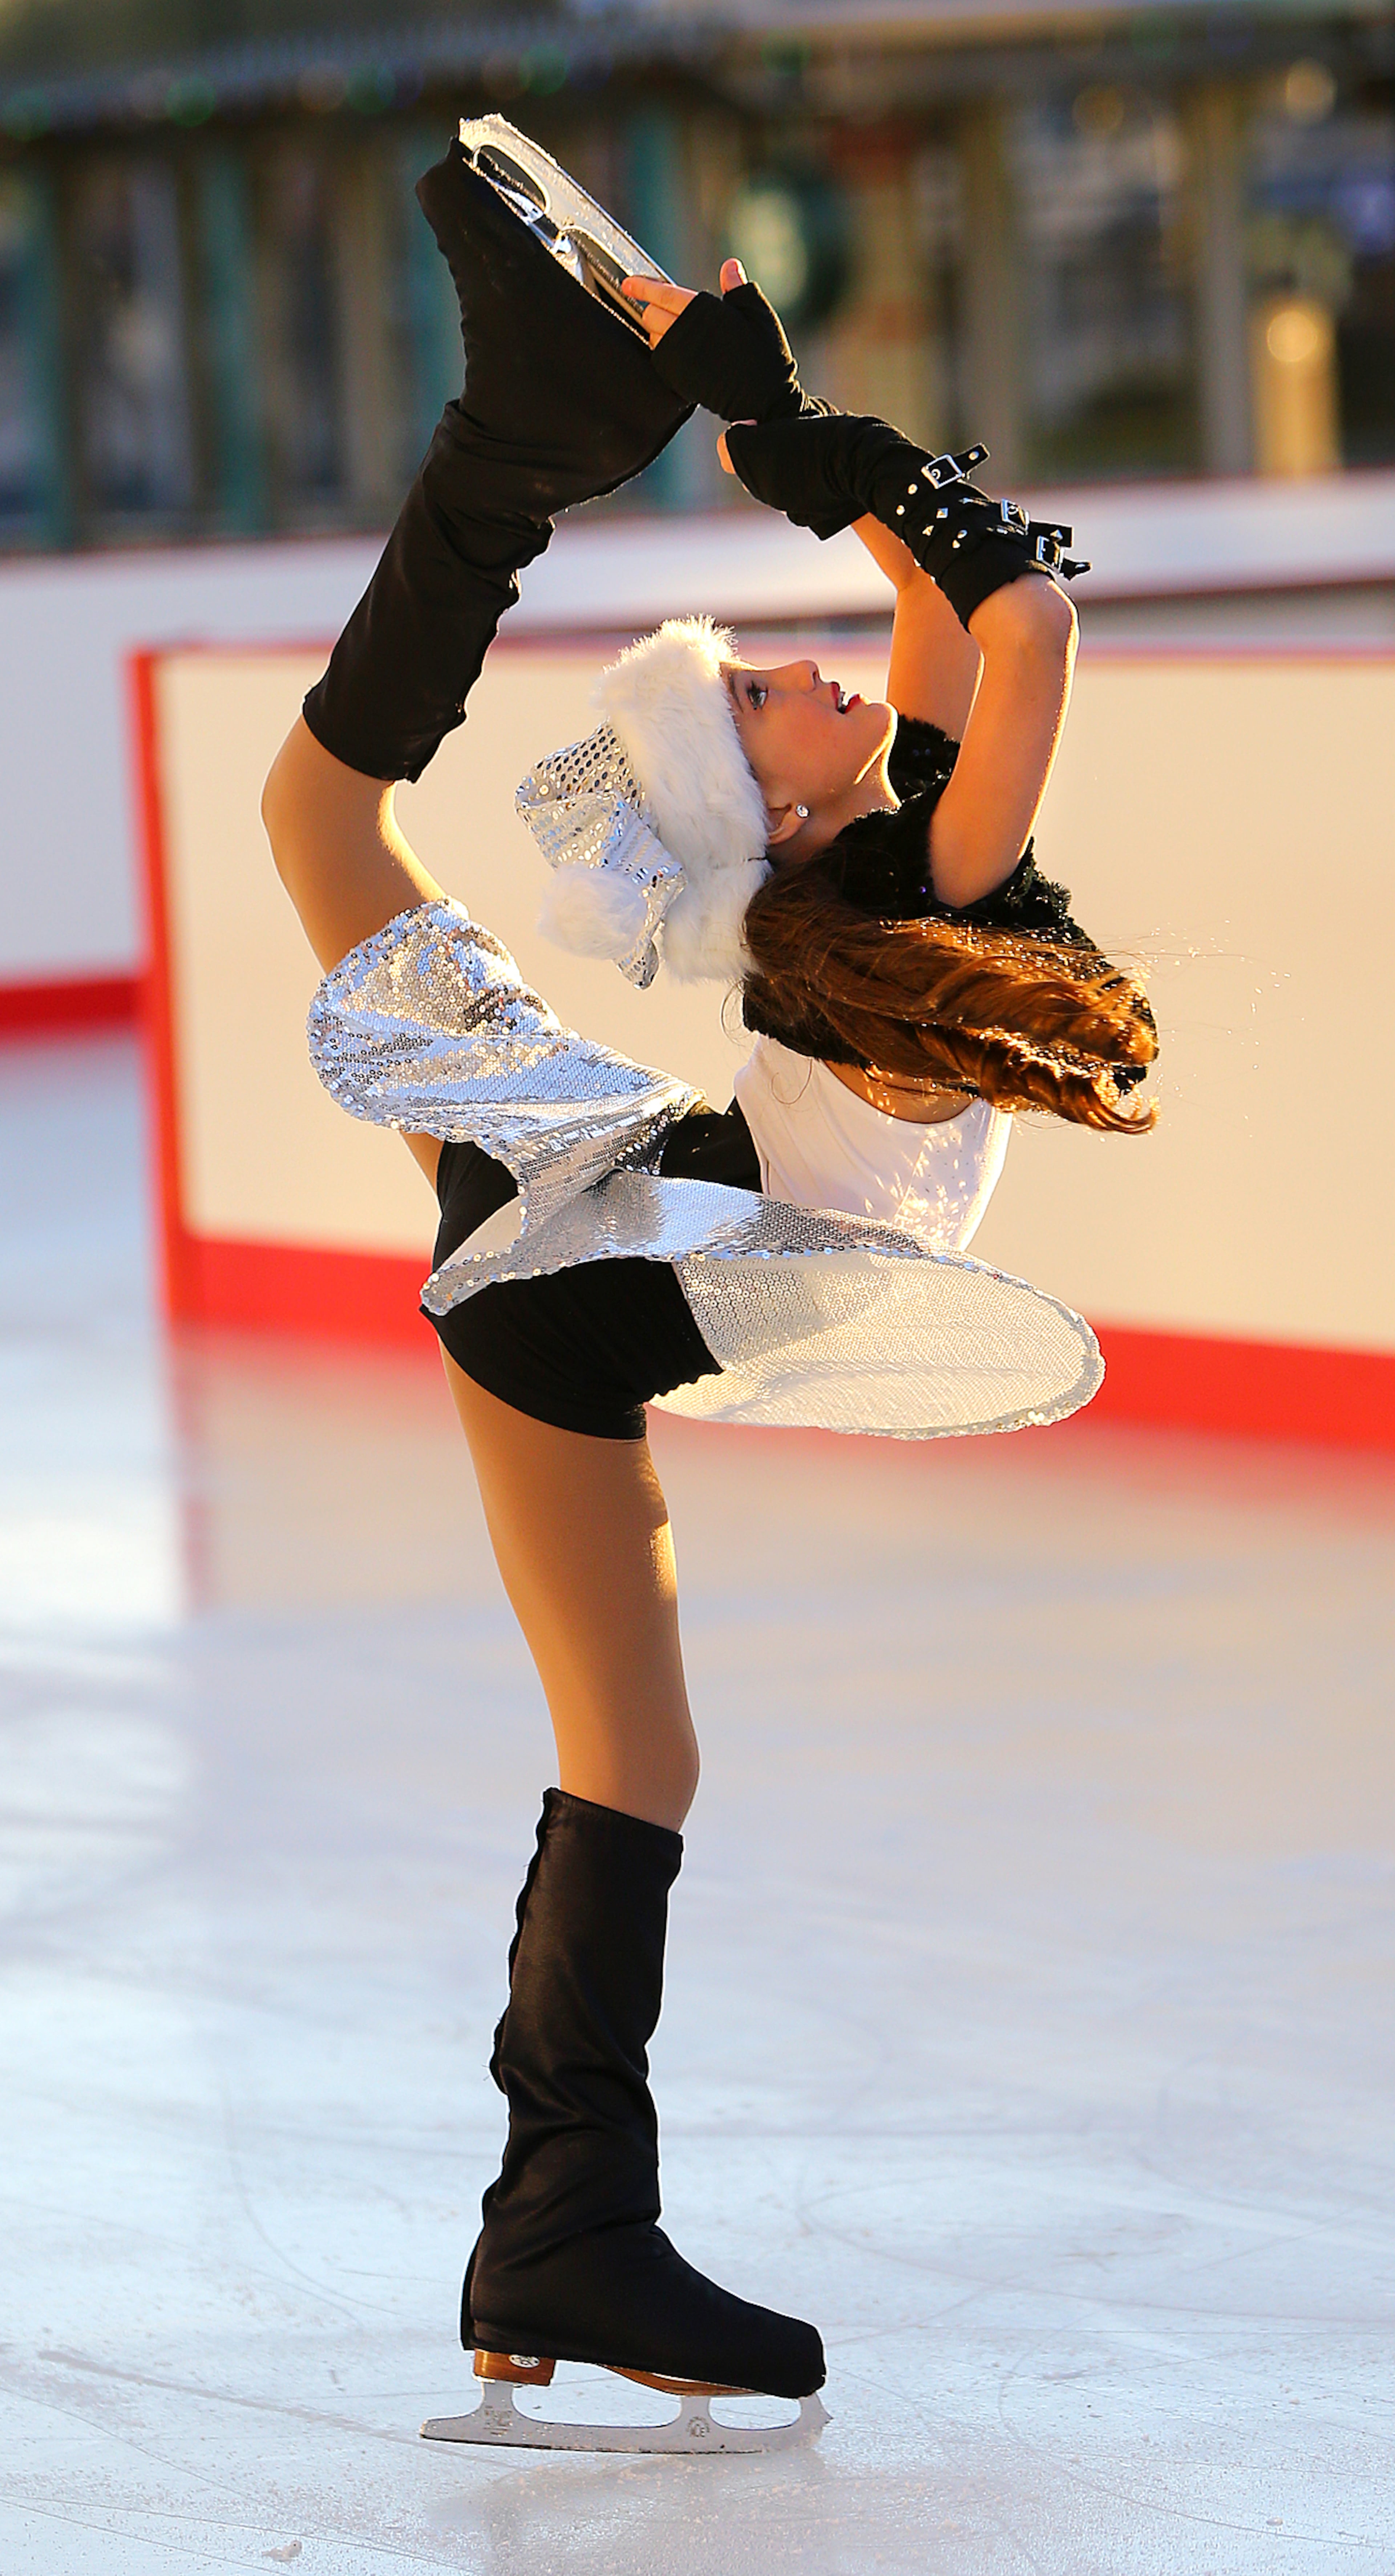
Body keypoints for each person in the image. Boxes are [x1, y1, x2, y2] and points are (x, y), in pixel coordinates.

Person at [261, 132, 1157, 2451]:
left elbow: (942, 615)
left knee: (635, 1755)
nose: (813, 670)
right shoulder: (890, 889)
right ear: (765, 805)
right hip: (614, 1243)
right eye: (765, 687)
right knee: (321, 832)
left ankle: (555, 2228)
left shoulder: (881, 869)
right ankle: (507, 449)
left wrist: (779, 424)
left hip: (610, 1244)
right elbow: (1027, 628)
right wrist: (809, 446)